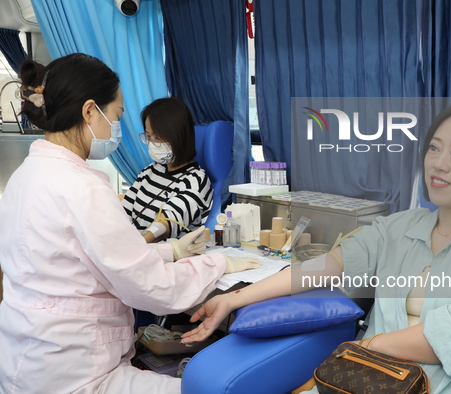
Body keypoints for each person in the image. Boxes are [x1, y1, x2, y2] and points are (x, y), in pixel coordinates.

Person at [181, 101, 451, 393]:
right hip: (373, 379)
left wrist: (366, 348)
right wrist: (235, 298)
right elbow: (325, 267)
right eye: (434, 148)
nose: (438, 163)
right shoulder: (405, 225)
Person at [0, 53, 260, 393]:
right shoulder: (83, 187)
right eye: (117, 116)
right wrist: (217, 262)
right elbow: (150, 285)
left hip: (26, 356)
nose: (118, 127)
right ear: (90, 111)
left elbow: (99, 255)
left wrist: (170, 251)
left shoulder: (27, 175)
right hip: (74, 369)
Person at [121, 97, 213, 243]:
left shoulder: (195, 181)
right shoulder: (149, 172)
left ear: (178, 136)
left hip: (163, 257)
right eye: (149, 136)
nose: (152, 143)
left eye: (158, 137)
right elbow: (122, 213)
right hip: (133, 250)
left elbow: (165, 224)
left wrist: (134, 246)